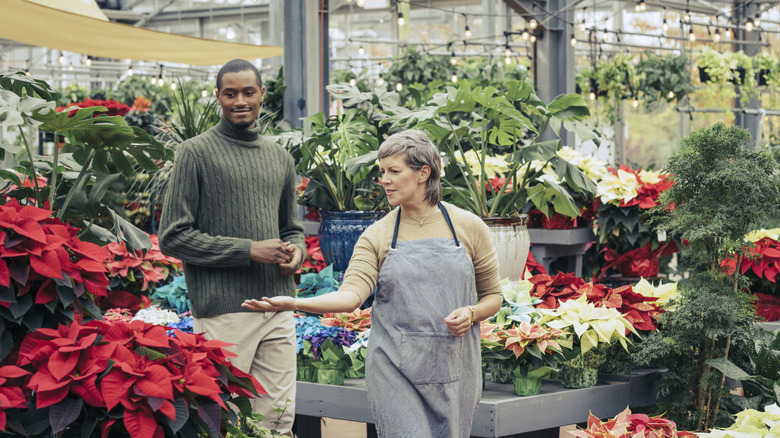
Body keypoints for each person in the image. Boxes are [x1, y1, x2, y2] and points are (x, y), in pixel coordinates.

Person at [242, 129, 503, 437]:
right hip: (394, 368)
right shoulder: (377, 235)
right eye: (382, 172)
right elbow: (351, 296)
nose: (384, 180)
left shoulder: (469, 227)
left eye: (394, 171)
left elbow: (493, 296)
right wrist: (294, 303)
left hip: (454, 366)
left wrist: (472, 313)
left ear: (424, 173)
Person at [159, 58, 305, 435]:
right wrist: (249, 250)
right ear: (218, 97)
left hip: (279, 305)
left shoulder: (281, 159)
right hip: (225, 310)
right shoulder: (195, 152)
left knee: (278, 419)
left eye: (248, 92)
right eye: (231, 93)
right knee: (225, 418)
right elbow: (173, 236)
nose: (240, 100)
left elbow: (292, 228)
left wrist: (297, 252)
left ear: (261, 95)